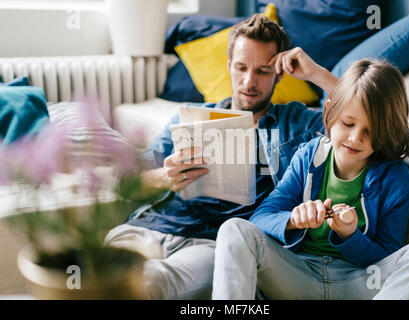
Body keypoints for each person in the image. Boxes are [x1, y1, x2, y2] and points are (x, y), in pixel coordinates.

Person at [103, 14, 338, 299]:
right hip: (151, 226)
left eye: (262, 71)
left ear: (278, 74)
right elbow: (126, 180)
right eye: (240, 68)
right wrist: (163, 177)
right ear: (228, 66)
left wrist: (316, 74)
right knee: (99, 272)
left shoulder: (296, 121)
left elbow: (361, 116)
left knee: (148, 282)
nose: (249, 82)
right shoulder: (189, 117)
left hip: (211, 245)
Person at [212, 59, 409, 300]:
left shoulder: (396, 179)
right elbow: (260, 218)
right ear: (330, 110)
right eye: (348, 123)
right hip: (296, 276)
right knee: (234, 229)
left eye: (370, 131)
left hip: (359, 282)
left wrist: (350, 236)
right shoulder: (308, 156)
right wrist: (294, 220)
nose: (355, 138)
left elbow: (386, 256)